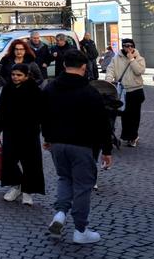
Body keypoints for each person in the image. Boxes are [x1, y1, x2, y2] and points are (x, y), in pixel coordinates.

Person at [41, 50, 113, 244]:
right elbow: (103, 123)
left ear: (64, 65)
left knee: (64, 178)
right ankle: (80, 230)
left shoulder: (50, 88)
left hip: (57, 143)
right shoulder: (90, 92)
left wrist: (48, 137)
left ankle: (60, 214)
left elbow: (43, 115)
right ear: (84, 67)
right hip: (83, 145)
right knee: (83, 186)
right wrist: (107, 150)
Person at [0, 64, 45, 205]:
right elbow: (1, 109)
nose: (15, 77)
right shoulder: (7, 88)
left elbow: (42, 112)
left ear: (26, 75)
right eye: (13, 74)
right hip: (10, 130)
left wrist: (44, 131)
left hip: (29, 131)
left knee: (30, 162)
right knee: (8, 160)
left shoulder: (34, 89)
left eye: (19, 75)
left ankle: (28, 190)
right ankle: (17, 185)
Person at [104, 39, 146, 147]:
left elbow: (139, 71)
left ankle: (133, 136)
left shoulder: (139, 58)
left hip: (136, 90)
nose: (129, 47)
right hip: (122, 91)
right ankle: (127, 136)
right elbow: (110, 70)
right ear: (123, 46)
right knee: (125, 115)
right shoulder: (116, 58)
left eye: (131, 45)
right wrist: (108, 80)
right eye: (126, 45)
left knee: (134, 115)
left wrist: (132, 59)